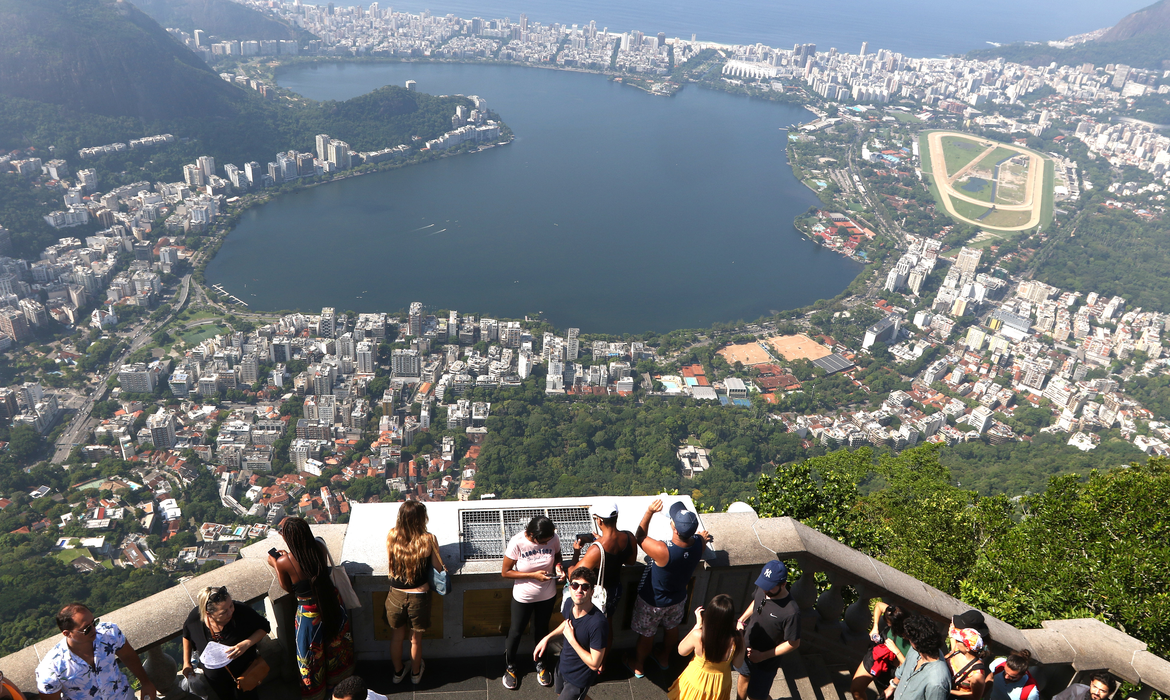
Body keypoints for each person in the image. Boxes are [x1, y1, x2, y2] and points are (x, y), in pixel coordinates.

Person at [268, 517, 356, 700]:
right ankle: (338, 683)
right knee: (336, 642)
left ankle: (316, 693)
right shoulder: (320, 547)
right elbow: (310, 566)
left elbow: (288, 588)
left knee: (310, 654)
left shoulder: (285, 561)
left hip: (310, 612)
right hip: (331, 600)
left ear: (288, 538)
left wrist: (276, 563)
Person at [629, 499, 711, 677]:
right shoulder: (698, 545)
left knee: (647, 635)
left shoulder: (663, 550)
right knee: (672, 628)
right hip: (678, 599)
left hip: (653, 601)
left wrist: (649, 512)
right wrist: (702, 537)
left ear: (674, 529)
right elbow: (701, 540)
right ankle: (664, 658)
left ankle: (639, 665)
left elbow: (640, 537)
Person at [34, 603, 158, 700]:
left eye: (94, 622)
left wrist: (145, 682)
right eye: (87, 628)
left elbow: (128, 656)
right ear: (67, 633)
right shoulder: (51, 668)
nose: (94, 629)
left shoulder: (109, 633)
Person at [568, 501, 638, 667]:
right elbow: (631, 561)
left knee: (591, 626)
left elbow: (574, 575)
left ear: (599, 521)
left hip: (597, 595)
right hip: (614, 590)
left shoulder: (596, 549)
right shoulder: (629, 537)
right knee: (607, 625)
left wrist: (576, 553)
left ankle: (590, 661)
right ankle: (603, 663)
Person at [501, 515, 565, 690]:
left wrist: (559, 567)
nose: (547, 544)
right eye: (543, 542)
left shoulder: (553, 538)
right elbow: (505, 572)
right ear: (533, 536)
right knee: (516, 631)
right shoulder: (518, 542)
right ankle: (510, 666)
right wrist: (533, 575)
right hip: (524, 596)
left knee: (542, 630)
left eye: (549, 540)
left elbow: (557, 556)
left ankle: (541, 663)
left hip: (548, 594)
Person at [385, 501, 445, 685]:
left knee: (397, 637)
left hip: (396, 594)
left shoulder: (392, 535)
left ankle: (398, 672)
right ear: (422, 518)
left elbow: (391, 560)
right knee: (415, 640)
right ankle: (416, 673)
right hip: (420, 595)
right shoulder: (428, 539)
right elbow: (438, 567)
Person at [181, 586, 272, 700]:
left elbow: (264, 627)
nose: (231, 612)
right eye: (224, 612)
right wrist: (186, 662)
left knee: (249, 696)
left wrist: (246, 644)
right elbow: (187, 635)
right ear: (208, 614)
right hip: (217, 679)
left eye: (231, 606)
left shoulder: (240, 611)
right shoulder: (195, 618)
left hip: (246, 672)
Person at [534, 567, 608, 700]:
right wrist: (547, 638)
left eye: (585, 587)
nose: (579, 590)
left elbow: (595, 663)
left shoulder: (598, 623)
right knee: (560, 694)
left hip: (579, 678)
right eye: (575, 585)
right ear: (570, 588)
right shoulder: (569, 603)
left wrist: (572, 640)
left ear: (592, 591)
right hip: (562, 666)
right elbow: (567, 625)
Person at [735, 561, 801, 700]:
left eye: (770, 587)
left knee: (756, 696)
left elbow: (793, 643)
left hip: (766, 663)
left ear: (783, 584)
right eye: (763, 585)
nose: (765, 590)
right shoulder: (763, 588)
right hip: (747, 646)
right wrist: (742, 619)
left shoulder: (791, 612)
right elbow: (756, 602)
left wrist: (762, 656)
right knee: (743, 676)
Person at [668, 594, 745, 700]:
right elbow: (738, 664)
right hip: (720, 686)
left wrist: (697, 626)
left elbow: (681, 651)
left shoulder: (698, 635)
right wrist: (741, 635)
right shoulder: (736, 639)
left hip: (696, 681)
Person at [851, 602, 910, 700]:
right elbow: (878, 605)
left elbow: (909, 666)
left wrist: (896, 651)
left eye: (888, 623)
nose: (887, 624)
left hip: (895, 671)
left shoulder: (912, 637)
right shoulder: (895, 613)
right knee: (856, 689)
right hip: (879, 654)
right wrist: (875, 627)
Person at [884, 614, 950, 700]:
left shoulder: (937, 682)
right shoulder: (915, 650)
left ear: (916, 643)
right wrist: (892, 687)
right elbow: (903, 669)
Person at [945, 611, 989, 699]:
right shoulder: (958, 650)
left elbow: (975, 697)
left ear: (967, 648)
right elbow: (954, 648)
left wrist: (948, 691)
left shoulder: (977, 674)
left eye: (959, 640)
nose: (956, 641)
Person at [1052, 672, 1116, 700]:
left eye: (1102, 691)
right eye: (1095, 687)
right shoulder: (1076, 689)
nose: (1097, 693)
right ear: (1091, 683)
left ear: (1110, 693)